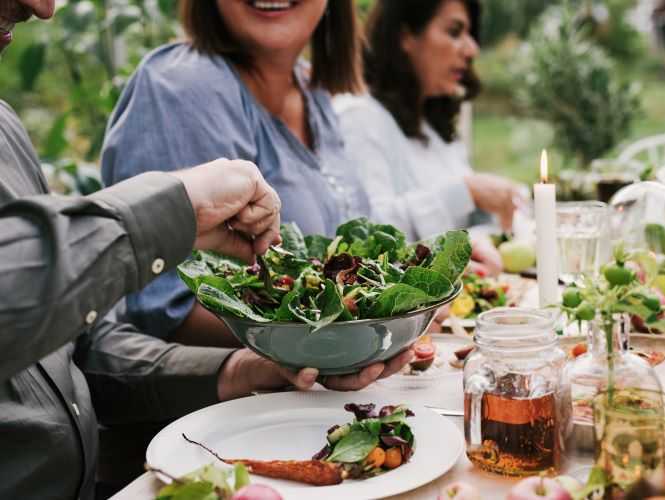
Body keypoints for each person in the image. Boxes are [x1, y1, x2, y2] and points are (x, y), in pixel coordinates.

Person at [0, 2, 411, 499]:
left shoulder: (6, 130)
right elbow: (155, 309)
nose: (44, 7)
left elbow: (75, 351)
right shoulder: (183, 85)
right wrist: (172, 211)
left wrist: (246, 368)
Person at [101, 0, 372, 347]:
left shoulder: (310, 88)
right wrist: (342, 334)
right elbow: (167, 311)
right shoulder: (186, 84)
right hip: (226, 399)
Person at [335, 0, 525, 276]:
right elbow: (364, 235)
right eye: (454, 31)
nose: (472, 49)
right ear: (405, 36)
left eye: (470, 35)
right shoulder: (358, 117)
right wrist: (467, 191)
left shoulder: (433, 126)